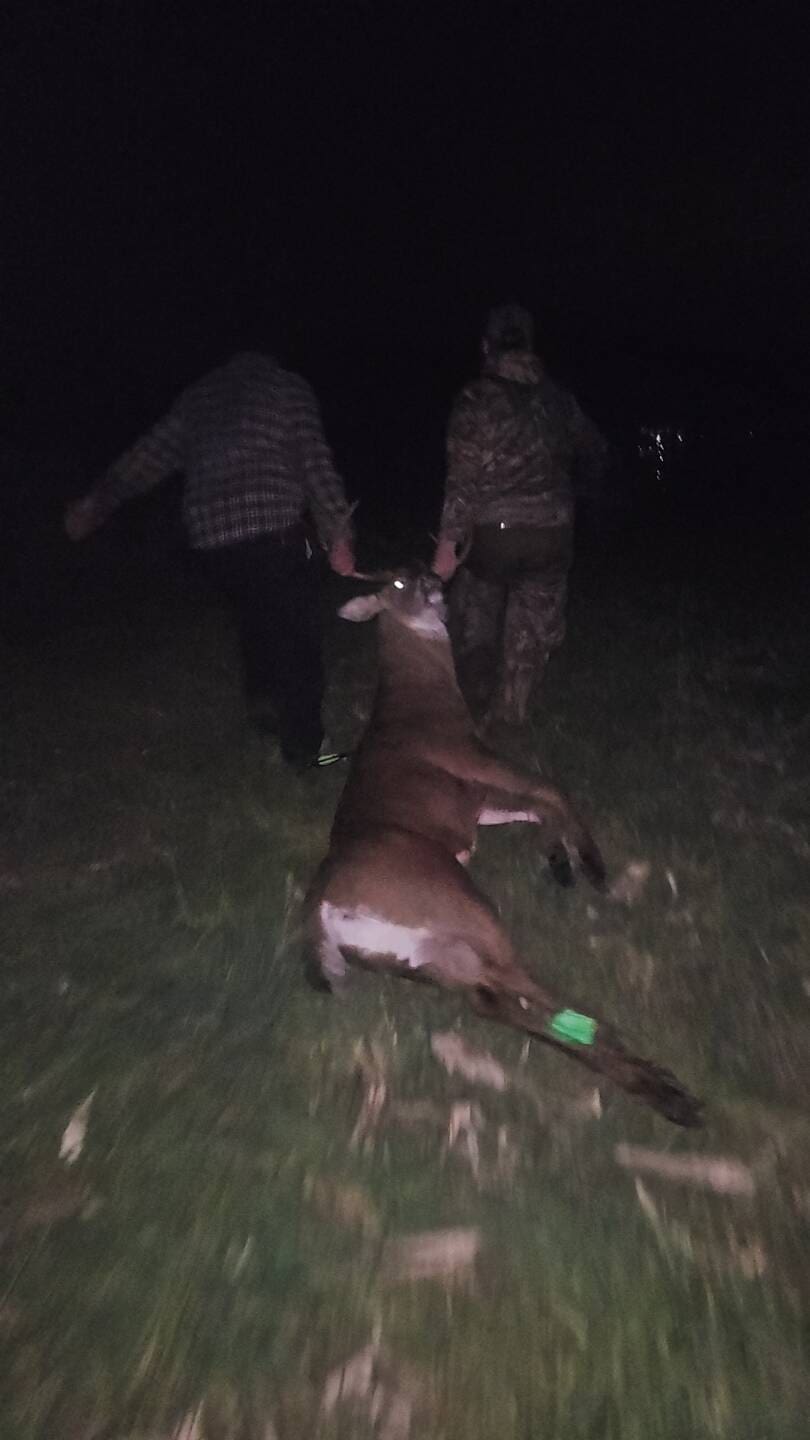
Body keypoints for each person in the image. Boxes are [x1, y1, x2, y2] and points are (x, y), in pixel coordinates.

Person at [65, 351, 356, 768]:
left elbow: (148, 456)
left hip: (213, 541)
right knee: (297, 638)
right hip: (273, 529)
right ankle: (307, 751)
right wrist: (339, 533)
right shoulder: (287, 387)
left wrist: (96, 503)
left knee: (257, 620)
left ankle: (265, 716)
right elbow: (315, 463)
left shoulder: (198, 397)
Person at [432, 303, 608, 727]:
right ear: (529, 345)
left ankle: (471, 713)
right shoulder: (559, 399)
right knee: (529, 635)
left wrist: (447, 544)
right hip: (552, 535)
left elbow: (462, 478)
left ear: (485, 346)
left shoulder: (476, 398)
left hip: (493, 536)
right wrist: (573, 498)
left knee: (475, 619)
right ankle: (512, 716)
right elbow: (597, 451)